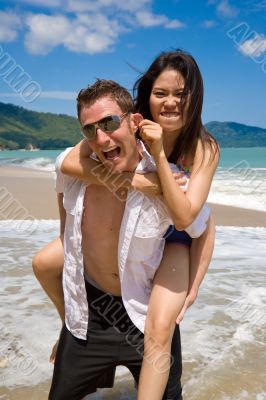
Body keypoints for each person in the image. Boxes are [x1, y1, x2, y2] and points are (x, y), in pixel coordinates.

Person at [47, 78, 212, 400]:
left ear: (134, 121)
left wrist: (194, 286)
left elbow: (201, 225)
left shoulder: (167, 181)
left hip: (146, 314)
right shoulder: (77, 170)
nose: (101, 137)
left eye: (109, 123)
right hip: (90, 314)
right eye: (89, 129)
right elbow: (62, 184)